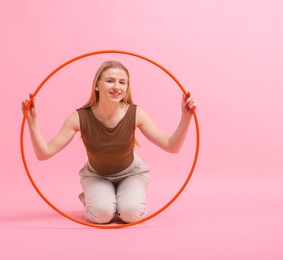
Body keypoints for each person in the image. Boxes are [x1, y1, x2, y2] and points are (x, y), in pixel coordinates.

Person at [21, 60, 197, 224]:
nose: (117, 87)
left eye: (122, 82)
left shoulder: (136, 114)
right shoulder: (79, 117)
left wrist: (186, 117)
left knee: (131, 214)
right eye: (110, 81)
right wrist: (32, 122)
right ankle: (97, 198)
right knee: (102, 215)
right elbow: (44, 153)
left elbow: (171, 146)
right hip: (97, 175)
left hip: (131, 173)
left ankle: (129, 196)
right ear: (97, 85)